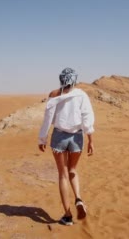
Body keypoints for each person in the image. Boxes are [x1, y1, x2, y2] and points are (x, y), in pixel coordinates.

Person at [38, 68, 95, 226]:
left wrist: (42, 139)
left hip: (59, 137)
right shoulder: (82, 95)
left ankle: (68, 216)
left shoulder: (54, 95)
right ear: (74, 80)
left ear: (61, 80)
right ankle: (78, 198)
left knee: (62, 174)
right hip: (77, 137)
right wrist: (90, 139)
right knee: (72, 170)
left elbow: (47, 119)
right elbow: (87, 117)